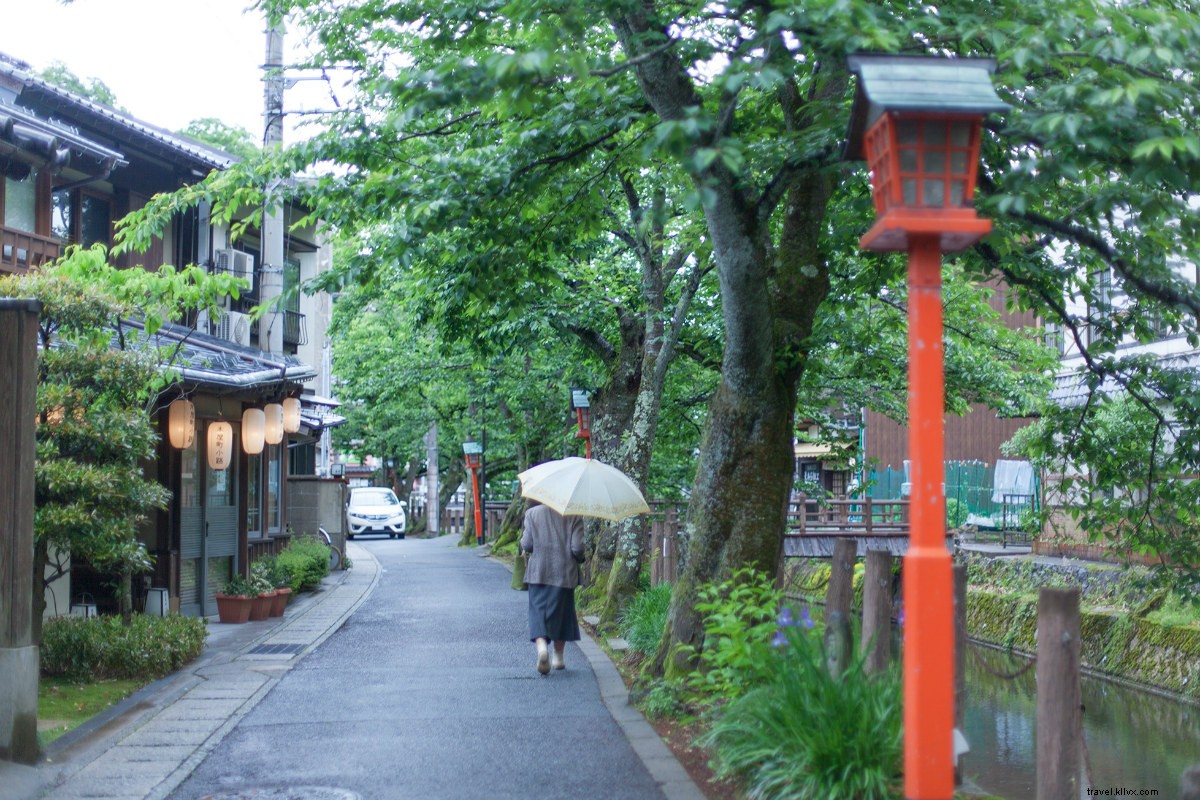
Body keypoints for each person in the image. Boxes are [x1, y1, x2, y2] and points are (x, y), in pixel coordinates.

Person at [519, 500, 585, 675]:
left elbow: (526, 545)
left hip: (538, 572)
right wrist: (581, 557)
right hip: (564, 572)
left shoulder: (532, 514)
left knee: (538, 611)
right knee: (562, 614)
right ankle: (558, 657)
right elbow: (577, 547)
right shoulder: (574, 516)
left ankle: (542, 648)